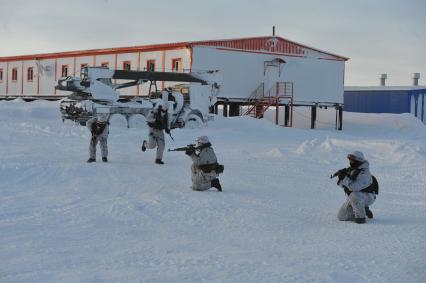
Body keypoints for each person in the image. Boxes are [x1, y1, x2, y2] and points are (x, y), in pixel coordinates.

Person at [336, 151, 376, 224]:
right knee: (341, 216)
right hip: (356, 197)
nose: (350, 162)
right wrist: (341, 176)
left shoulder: (364, 173)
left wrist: (345, 178)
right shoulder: (352, 169)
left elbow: (354, 187)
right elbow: (340, 185)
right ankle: (363, 209)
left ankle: (360, 218)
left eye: (352, 160)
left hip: (368, 196)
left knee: (355, 195)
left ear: (358, 160)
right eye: (349, 160)